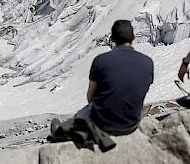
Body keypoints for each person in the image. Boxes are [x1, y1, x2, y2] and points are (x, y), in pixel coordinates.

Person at [50, 20, 153, 149]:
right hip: (132, 123)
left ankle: (67, 133)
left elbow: (90, 97)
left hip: (105, 123)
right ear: (133, 37)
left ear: (113, 39)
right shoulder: (148, 62)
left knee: (82, 114)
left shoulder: (101, 60)